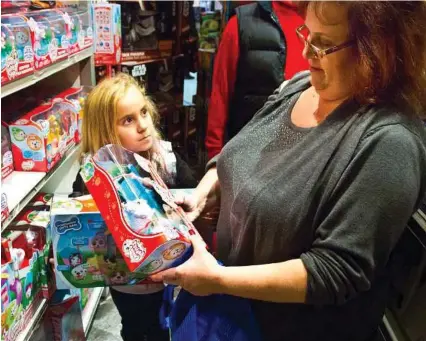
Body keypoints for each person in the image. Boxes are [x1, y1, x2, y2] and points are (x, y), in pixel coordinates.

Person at [152, 2, 426, 341]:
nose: (306, 49)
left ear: (381, 49)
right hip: (226, 315)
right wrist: (207, 189)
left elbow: (335, 270)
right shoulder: (299, 86)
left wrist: (217, 280)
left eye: (323, 43)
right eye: (306, 33)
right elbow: (241, 152)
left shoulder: (390, 142)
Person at [73, 73, 198, 341]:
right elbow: (76, 218)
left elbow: (195, 197)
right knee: (135, 328)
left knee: (167, 327)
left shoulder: (166, 160)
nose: (144, 126)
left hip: (169, 273)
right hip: (126, 281)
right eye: (128, 120)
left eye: (144, 113)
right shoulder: (93, 175)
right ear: (104, 131)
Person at [205, 0, 309, 160]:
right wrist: (215, 155)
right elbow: (220, 93)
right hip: (250, 157)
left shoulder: (330, 23)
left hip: (308, 154)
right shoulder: (242, 23)